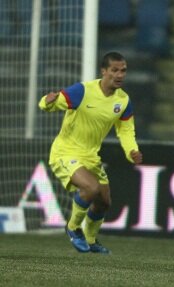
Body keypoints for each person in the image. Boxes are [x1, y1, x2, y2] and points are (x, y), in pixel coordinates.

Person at [38, 51, 143, 254]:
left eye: (123, 71)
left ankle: (91, 240)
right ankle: (73, 227)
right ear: (103, 71)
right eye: (114, 70)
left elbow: (126, 131)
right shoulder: (82, 91)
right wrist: (46, 101)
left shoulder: (123, 101)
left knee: (103, 202)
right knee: (90, 188)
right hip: (65, 152)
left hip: (90, 157)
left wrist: (132, 151)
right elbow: (53, 103)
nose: (119, 75)